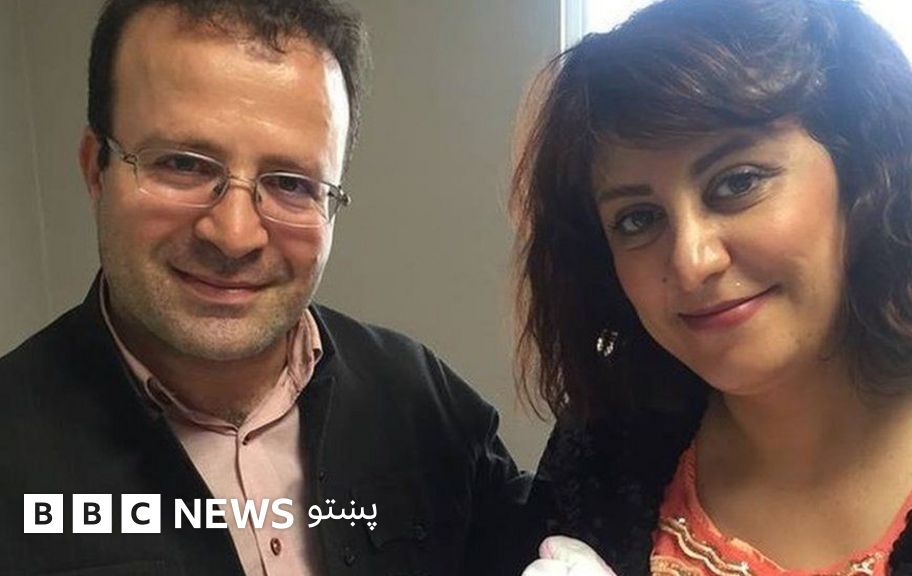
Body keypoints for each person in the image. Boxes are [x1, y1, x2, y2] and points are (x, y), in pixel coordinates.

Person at [0, 1, 529, 575]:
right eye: (183, 164)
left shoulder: (422, 403)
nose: (234, 236)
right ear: (95, 169)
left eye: (291, 184)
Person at [510, 0, 912, 574]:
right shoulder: (599, 455)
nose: (692, 262)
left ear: (866, 174)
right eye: (638, 219)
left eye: (737, 182)